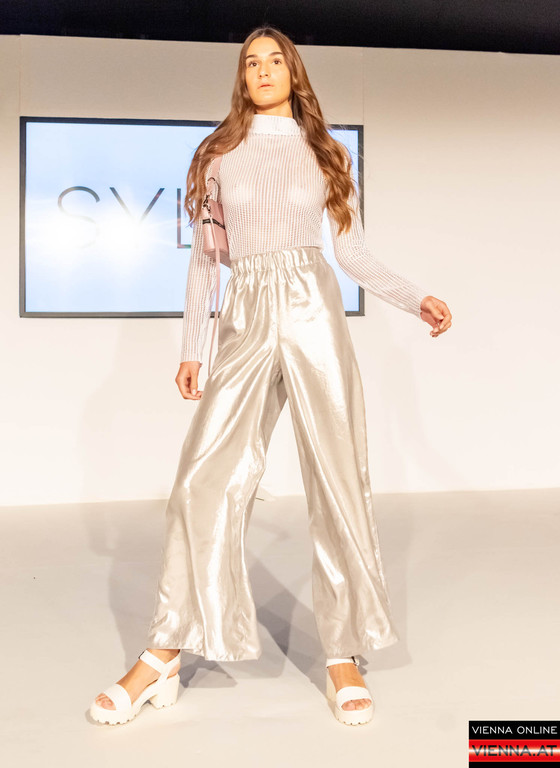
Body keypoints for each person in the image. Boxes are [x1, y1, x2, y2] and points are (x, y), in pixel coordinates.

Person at [90, 25, 452, 728]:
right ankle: (164, 651)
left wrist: (415, 298)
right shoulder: (218, 154)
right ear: (241, 77)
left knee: (338, 478)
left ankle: (342, 652)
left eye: (274, 59)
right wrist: (193, 347)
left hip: (314, 309)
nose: (262, 70)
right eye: (250, 62)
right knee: (200, 480)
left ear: (294, 71)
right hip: (248, 312)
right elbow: (206, 261)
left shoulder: (327, 151)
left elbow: (353, 253)